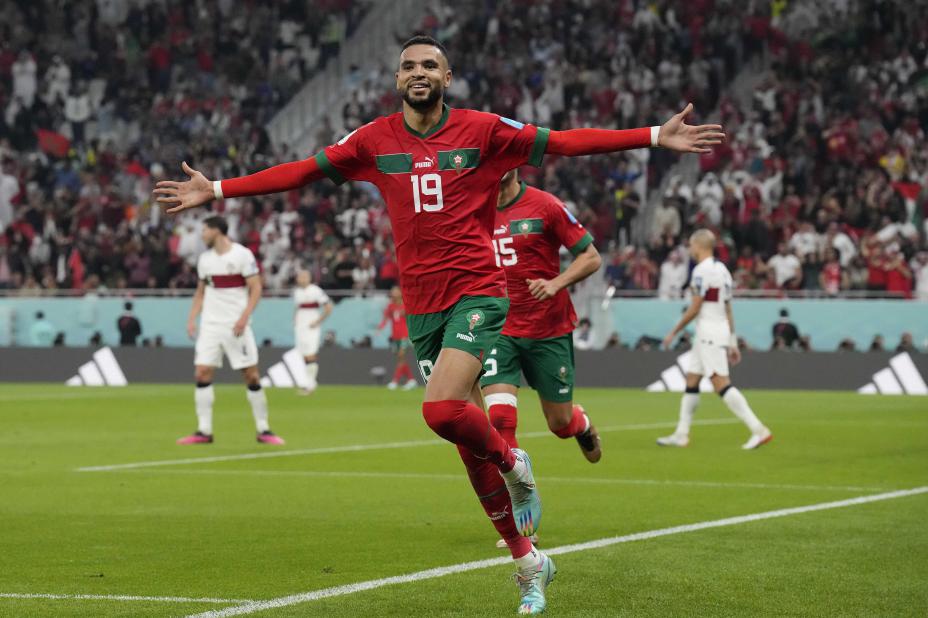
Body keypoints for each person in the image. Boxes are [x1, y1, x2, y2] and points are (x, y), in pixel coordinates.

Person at [153, 35, 723, 614]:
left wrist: (653, 135)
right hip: (422, 306)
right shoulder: (373, 140)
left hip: (478, 292)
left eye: (429, 65)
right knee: (465, 444)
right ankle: (529, 562)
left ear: (447, 77)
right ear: (397, 79)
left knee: (441, 410)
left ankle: (515, 462)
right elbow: (302, 172)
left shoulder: (484, 131)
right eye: (408, 66)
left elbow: (565, 142)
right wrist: (217, 189)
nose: (418, 72)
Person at [482, 170, 603, 547]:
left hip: (549, 329)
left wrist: (555, 283)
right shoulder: (473, 207)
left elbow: (591, 257)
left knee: (559, 423)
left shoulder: (546, 206)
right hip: (499, 327)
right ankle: (521, 509)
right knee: (500, 418)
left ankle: (580, 423)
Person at [658, 229, 772, 450]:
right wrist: (732, 340)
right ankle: (681, 434)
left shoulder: (701, 271)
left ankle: (759, 430)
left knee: (720, 383)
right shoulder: (722, 270)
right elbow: (728, 307)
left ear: (699, 246)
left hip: (709, 332)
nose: (690, 249)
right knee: (692, 380)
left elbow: (695, 306)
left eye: (691, 245)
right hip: (715, 331)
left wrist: (674, 331)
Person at [178, 216, 284, 446]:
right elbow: (201, 292)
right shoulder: (205, 259)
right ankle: (204, 431)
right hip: (211, 325)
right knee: (202, 372)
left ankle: (264, 429)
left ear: (217, 230)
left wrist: (244, 317)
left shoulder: (242, 255)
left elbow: (256, 288)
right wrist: (192, 319)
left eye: (205, 230)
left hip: (236, 325)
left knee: (251, 375)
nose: (202, 234)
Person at [293, 269, 332, 395]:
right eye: (300, 277)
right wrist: (295, 321)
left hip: (311, 325)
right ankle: (310, 382)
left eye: (305, 276)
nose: (302, 279)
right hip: (300, 326)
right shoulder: (297, 292)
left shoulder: (316, 290)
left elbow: (328, 307)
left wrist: (318, 321)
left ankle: (309, 386)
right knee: (304, 355)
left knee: (310, 354)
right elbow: (297, 307)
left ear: (309, 278)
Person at [378, 285, 417, 390]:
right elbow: (385, 318)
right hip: (395, 336)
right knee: (401, 359)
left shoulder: (406, 305)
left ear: (400, 293)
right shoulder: (390, 306)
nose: (393, 293)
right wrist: (380, 328)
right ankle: (411, 380)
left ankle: (395, 381)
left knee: (401, 356)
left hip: (405, 335)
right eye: (392, 292)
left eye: (395, 291)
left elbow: (413, 319)